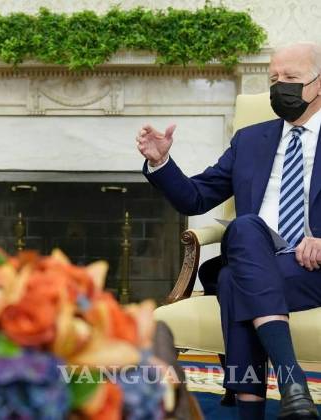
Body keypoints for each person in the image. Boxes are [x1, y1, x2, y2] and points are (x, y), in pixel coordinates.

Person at [137, 42, 321, 420]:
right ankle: (294, 388)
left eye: (291, 77)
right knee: (247, 228)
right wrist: (162, 162)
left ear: (319, 83)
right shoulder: (250, 140)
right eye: (273, 79)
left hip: (310, 268)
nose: (279, 87)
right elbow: (196, 198)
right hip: (257, 255)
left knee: (234, 280)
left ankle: (262, 406)